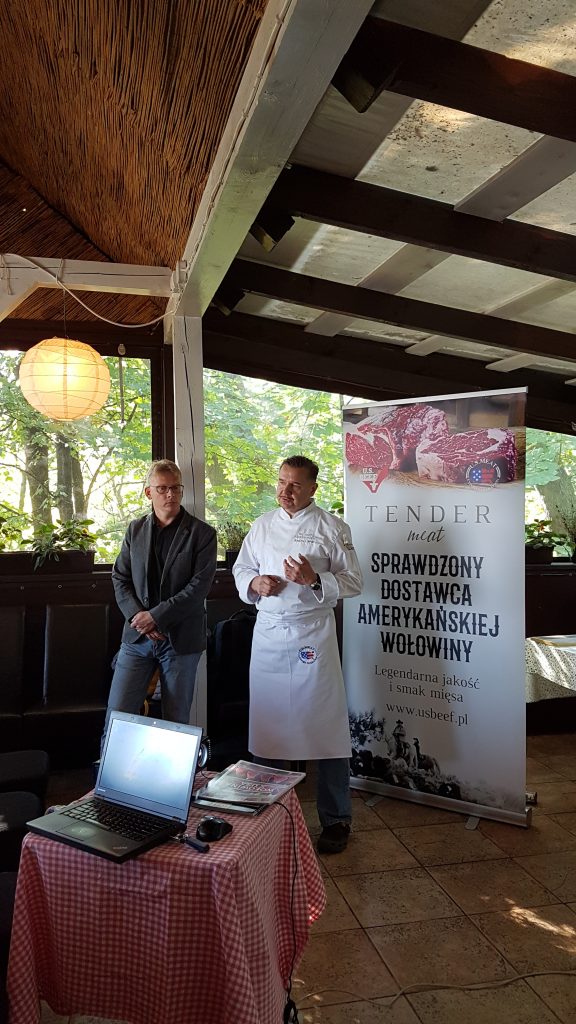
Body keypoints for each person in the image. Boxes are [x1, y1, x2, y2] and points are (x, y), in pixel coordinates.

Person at [232, 455, 363, 853]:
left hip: (312, 636)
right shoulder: (261, 525)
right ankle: (268, 819)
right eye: (281, 482)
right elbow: (241, 569)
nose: (285, 491)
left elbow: (354, 581)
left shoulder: (332, 528)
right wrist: (255, 583)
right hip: (270, 635)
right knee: (268, 726)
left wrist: (314, 579)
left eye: (295, 485)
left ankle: (336, 819)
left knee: (326, 728)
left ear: (313, 489)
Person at [103, 459, 217, 743]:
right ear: (148, 493)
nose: (170, 494)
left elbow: (198, 588)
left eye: (175, 488)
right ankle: (111, 772)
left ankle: (170, 774)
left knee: (175, 723)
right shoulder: (135, 530)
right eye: (162, 488)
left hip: (180, 638)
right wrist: (138, 617)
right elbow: (120, 578)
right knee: (118, 715)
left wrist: (156, 617)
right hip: (137, 636)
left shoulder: (203, 534)